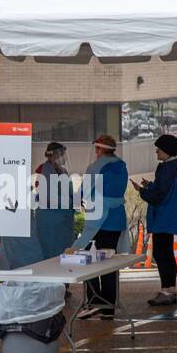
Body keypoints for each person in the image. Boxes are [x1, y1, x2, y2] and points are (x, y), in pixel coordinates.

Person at [70, 134, 128, 319]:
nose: (95, 153)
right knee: (109, 264)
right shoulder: (122, 167)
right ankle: (108, 307)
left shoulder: (96, 167)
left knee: (88, 258)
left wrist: (75, 200)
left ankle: (94, 301)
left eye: (96, 149)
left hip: (98, 218)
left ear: (100, 150)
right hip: (117, 219)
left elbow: (83, 193)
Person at [137, 134, 177, 307]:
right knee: (166, 253)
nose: (156, 151)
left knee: (162, 254)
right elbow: (162, 188)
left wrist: (142, 191)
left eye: (158, 149)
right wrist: (150, 185)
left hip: (163, 217)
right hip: (170, 216)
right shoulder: (174, 167)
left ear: (166, 151)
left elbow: (159, 195)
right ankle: (169, 289)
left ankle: (167, 291)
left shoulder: (166, 169)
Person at [33, 142, 77, 259]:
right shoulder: (43, 171)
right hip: (49, 221)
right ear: (51, 156)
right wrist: (69, 201)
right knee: (51, 255)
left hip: (64, 221)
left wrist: (76, 198)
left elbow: (68, 191)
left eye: (63, 154)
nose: (62, 157)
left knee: (66, 254)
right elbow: (46, 197)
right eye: (60, 154)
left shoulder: (63, 171)